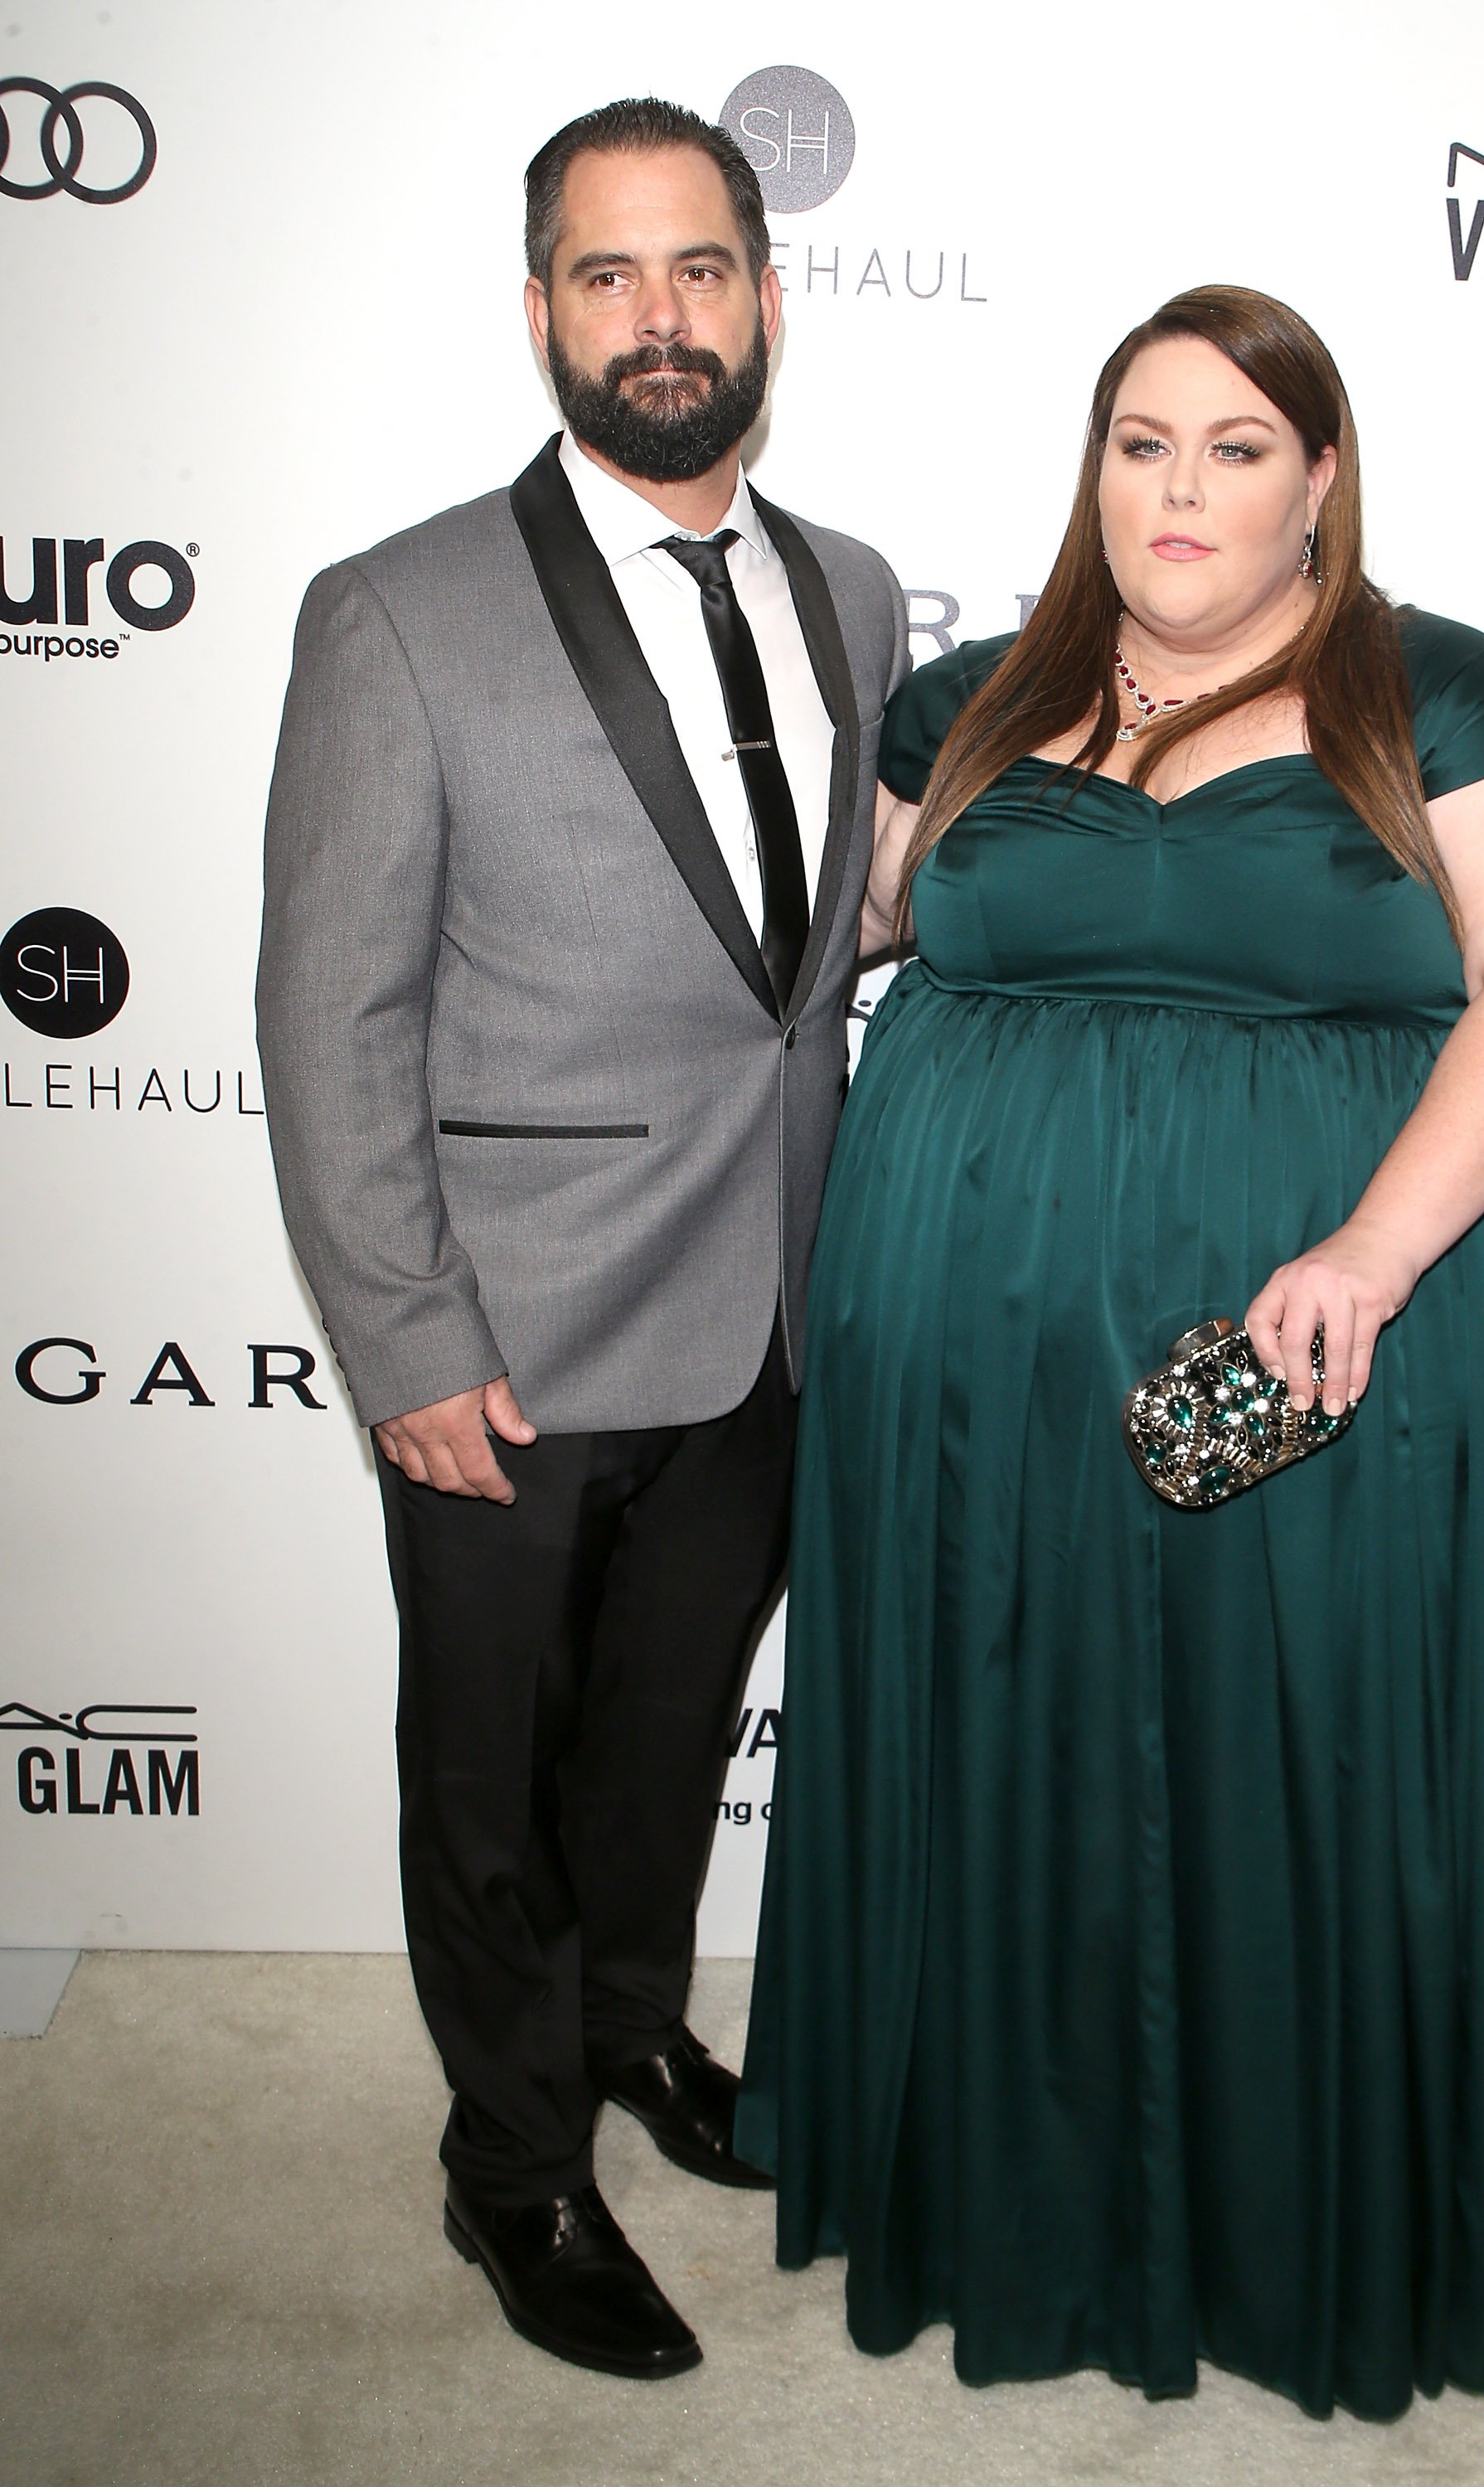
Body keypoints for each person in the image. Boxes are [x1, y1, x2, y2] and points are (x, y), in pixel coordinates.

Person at [739, 284, 1484, 2422]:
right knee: (997, 1723)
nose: (1184, 488)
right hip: (965, 1345)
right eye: (1143, 443)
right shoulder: (967, 698)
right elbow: (813, 941)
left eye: (1237, 445)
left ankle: (1294, 2221)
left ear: (1320, 471)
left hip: (1319, 1340)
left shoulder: (1449, 695)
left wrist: (1373, 1255)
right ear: (1094, 472)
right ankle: (997, 2186)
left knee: (1295, 1749)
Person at [255, 97, 906, 2379]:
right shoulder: (399, 611)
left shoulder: (851, 592)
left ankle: (636, 2034)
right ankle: (514, 2166)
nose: (663, 318)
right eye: (610, 275)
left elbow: (806, 956)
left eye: (703, 268)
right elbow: (328, 1008)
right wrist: (402, 1335)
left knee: (659, 1749)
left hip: (767, 1317)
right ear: (540, 309)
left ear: (767, 293)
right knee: (494, 1791)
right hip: (506, 1342)